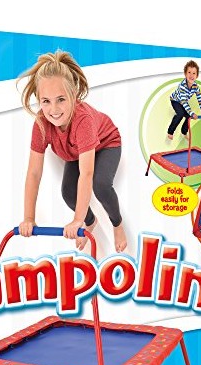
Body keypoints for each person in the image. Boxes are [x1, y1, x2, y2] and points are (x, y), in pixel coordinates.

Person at [18, 50, 127, 252]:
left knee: (101, 185)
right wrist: (29, 218)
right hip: (76, 151)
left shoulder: (83, 121)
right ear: (39, 100)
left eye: (61, 99)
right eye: (46, 101)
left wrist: (76, 220)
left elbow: (86, 173)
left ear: (73, 95)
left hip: (106, 143)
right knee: (68, 192)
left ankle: (117, 224)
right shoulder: (41, 124)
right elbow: (33, 173)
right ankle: (90, 221)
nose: (54, 109)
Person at [168, 60, 201, 139]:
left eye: (194, 73)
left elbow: (200, 99)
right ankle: (170, 132)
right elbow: (184, 102)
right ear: (185, 74)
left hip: (183, 102)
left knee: (189, 116)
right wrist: (192, 113)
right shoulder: (182, 86)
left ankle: (183, 132)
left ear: (197, 76)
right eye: (189, 72)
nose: (191, 75)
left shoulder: (196, 86)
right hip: (175, 100)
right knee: (180, 114)